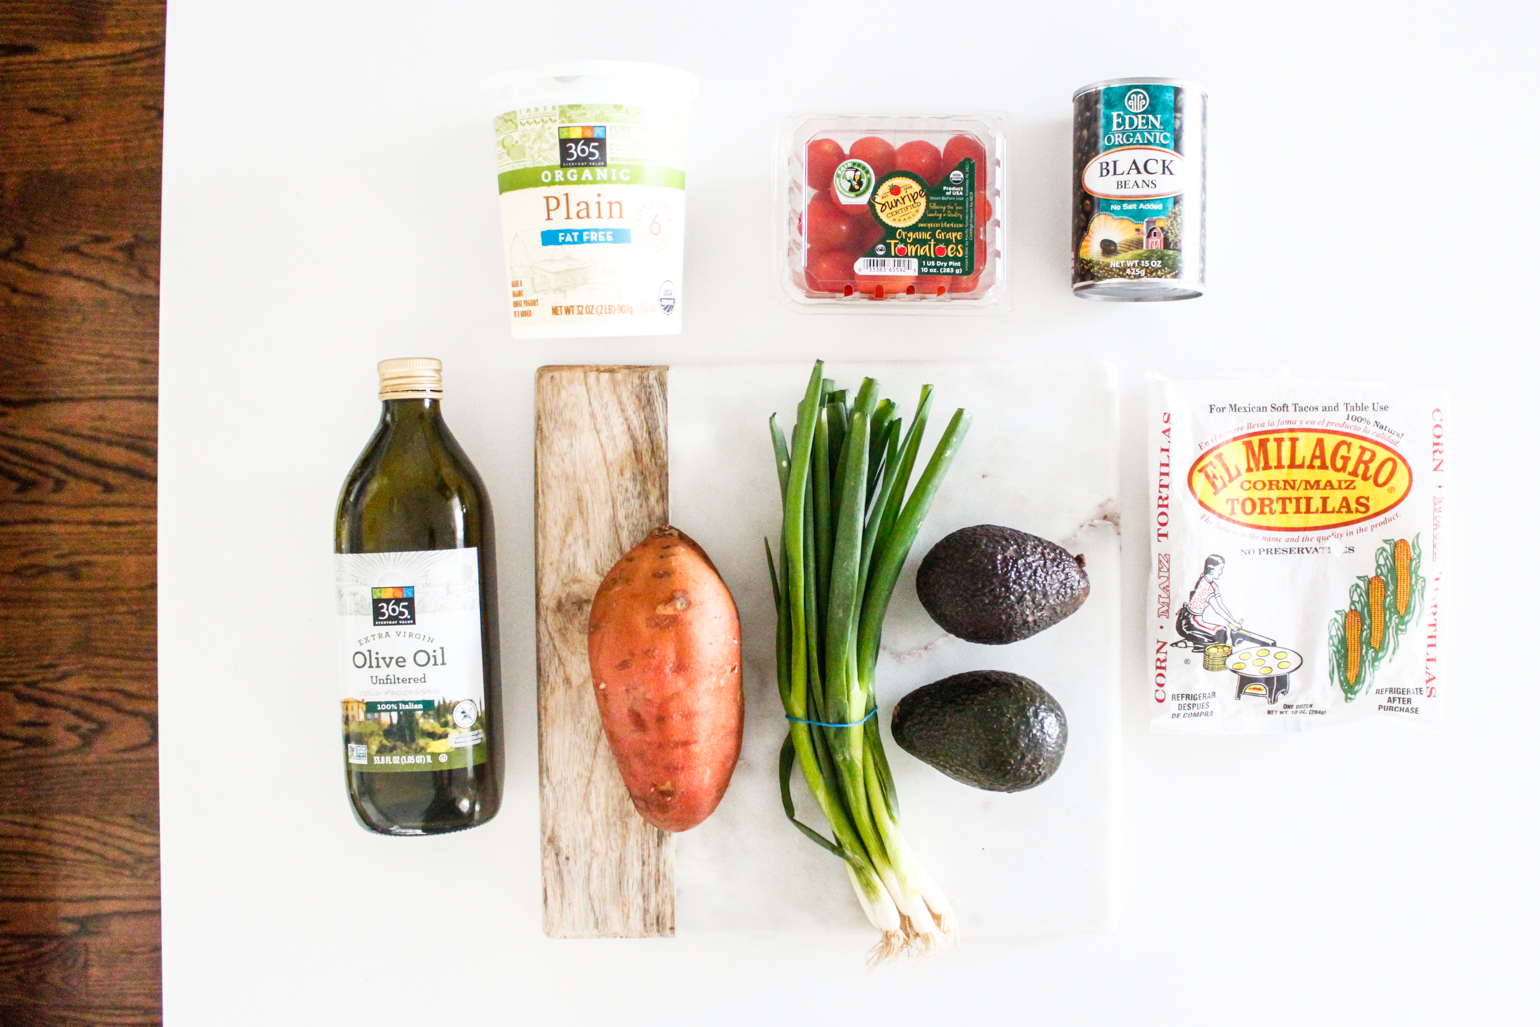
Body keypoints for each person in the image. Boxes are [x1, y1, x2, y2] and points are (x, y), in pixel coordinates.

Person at [1176, 555, 1274, 648]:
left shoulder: (1213, 586)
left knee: (1221, 633)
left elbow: (1222, 606)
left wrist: (1234, 622)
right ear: (1211, 570)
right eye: (1219, 569)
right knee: (1219, 637)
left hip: (1196, 620)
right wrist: (1234, 623)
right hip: (1188, 623)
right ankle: (1188, 643)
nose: (1221, 572)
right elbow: (1217, 609)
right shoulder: (1205, 586)